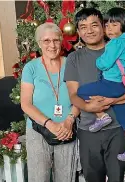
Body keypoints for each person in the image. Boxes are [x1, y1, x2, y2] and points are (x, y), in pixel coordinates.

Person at [64, 8, 125, 182]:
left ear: (103, 27)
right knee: (92, 177)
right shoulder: (74, 58)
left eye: (94, 25)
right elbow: (73, 95)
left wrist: (112, 100)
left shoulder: (119, 47)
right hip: (88, 130)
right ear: (79, 31)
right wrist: (89, 107)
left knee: (116, 177)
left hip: (117, 130)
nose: (89, 31)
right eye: (83, 27)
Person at [77, 7, 125, 161]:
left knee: (82, 91)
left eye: (114, 24)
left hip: (112, 83)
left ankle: (101, 116)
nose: (109, 29)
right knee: (124, 119)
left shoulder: (115, 43)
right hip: (124, 85)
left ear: (123, 24)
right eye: (107, 25)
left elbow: (105, 64)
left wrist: (98, 61)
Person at [21, 22, 79, 182]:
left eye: (56, 40)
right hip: (38, 130)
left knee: (66, 178)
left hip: (67, 129)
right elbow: (25, 103)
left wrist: (69, 120)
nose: (52, 45)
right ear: (39, 43)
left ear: (61, 41)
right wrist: (49, 124)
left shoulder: (71, 64)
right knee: (39, 178)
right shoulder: (30, 68)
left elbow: (80, 97)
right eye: (46, 41)